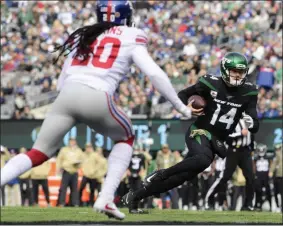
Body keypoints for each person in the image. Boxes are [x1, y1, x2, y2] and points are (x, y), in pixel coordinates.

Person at [0, 0, 191, 220]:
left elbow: (62, 80)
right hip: (97, 93)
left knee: (38, 152)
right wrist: (179, 106)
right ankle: (106, 197)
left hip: (66, 95)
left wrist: (73, 110)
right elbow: (154, 73)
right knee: (126, 138)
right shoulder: (131, 34)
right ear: (125, 16)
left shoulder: (83, 34)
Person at [122, 52, 259, 213]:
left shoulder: (249, 92)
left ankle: (134, 197)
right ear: (224, 70)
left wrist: (252, 123)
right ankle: (161, 173)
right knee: (202, 160)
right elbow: (182, 95)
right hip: (200, 131)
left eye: (240, 72)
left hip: (216, 141)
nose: (237, 75)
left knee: (180, 178)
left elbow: (254, 124)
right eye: (234, 71)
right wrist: (186, 108)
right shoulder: (211, 83)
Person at [205, 119, 255, 211]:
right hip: (233, 151)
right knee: (224, 177)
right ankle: (209, 199)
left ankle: (248, 204)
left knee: (250, 177)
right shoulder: (230, 120)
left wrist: (251, 148)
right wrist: (240, 133)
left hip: (246, 151)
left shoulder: (248, 119)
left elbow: (251, 134)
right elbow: (225, 137)